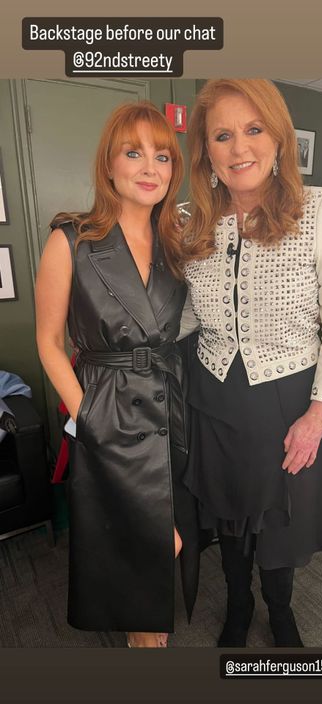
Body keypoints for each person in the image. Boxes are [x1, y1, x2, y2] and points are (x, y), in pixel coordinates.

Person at [180, 79, 322, 648]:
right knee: (229, 518)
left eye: (253, 130)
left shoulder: (319, 210)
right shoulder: (190, 221)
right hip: (214, 397)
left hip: (288, 401)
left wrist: (318, 414)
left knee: (279, 523)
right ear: (206, 152)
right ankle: (238, 606)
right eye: (223, 135)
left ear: (279, 139)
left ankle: (279, 611)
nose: (240, 149)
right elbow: (183, 315)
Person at [35, 101, 199, 648]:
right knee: (138, 540)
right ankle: (143, 640)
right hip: (107, 404)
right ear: (109, 165)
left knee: (162, 536)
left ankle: (150, 634)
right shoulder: (72, 239)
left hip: (168, 403)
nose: (151, 167)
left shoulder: (176, 244)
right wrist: (87, 415)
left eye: (163, 156)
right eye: (134, 153)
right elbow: (48, 342)